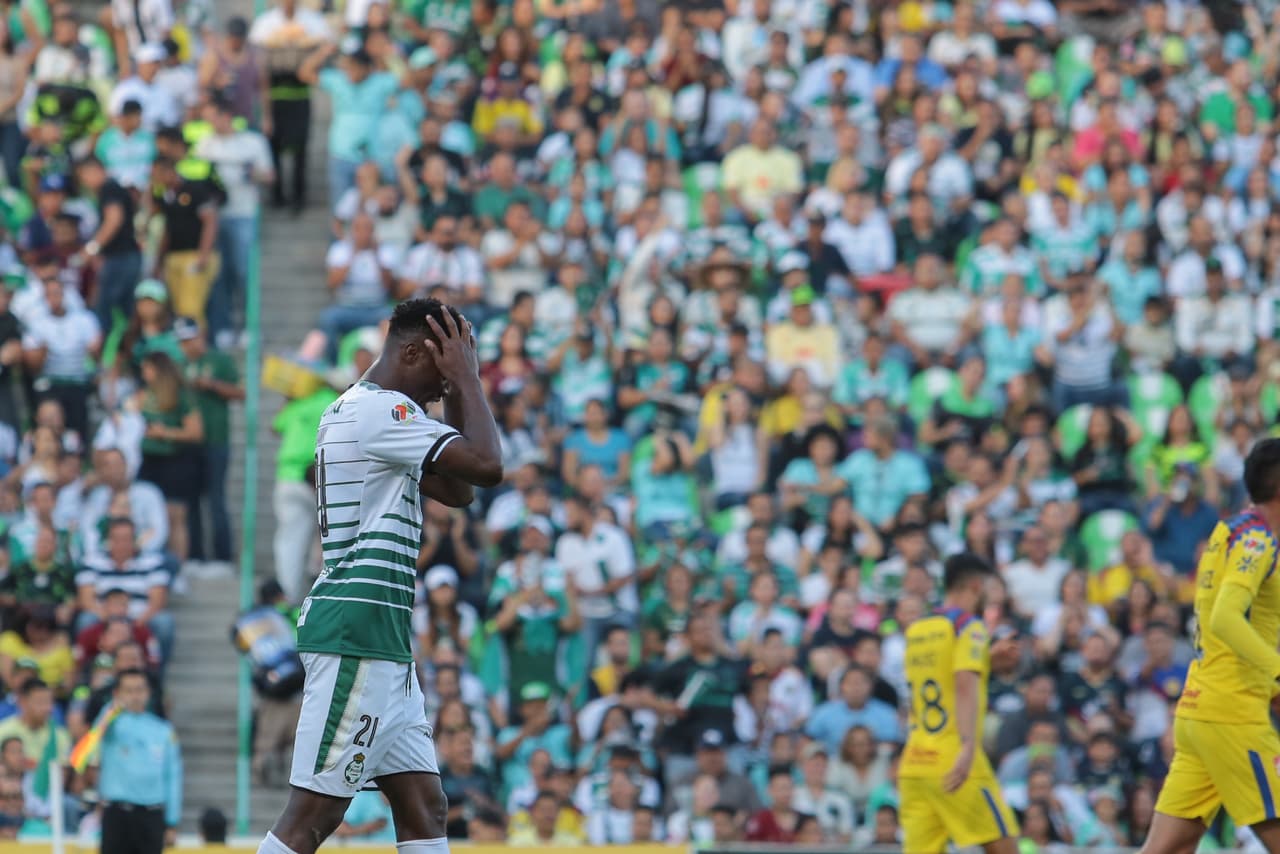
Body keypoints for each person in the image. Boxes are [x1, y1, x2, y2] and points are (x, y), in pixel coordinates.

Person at [257, 299, 502, 854]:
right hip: (357, 634)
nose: (447, 386)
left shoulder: (367, 412)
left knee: (423, 806)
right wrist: (469, 381)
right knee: (312, 816)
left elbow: (460, 490)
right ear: (413, 352)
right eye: (445, 368)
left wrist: (459, 380)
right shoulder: (381, 413)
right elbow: (488, 467)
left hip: (382, 639)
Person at [1142, 438, 1280, 853]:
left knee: (1166, 849)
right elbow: (1224, 618)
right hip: (1234, 716)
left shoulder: (1229, 530)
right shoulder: (1259, 543)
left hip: (1200, 711)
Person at [899, 552, 1019, 854]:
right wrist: (967, 748)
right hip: (954, 760)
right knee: (1006, 847)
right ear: (976, 586)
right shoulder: (970, 627)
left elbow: (939, 678)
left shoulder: (918, 629)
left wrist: (988, 659)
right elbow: (964, 683)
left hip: (915, 763)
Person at [96, 669, 182, 854]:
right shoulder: (112, 725)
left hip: (151, 815)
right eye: (128, 690)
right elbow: (96, 734)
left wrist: (172, 821)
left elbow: (172, 776)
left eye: (139, 690)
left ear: (148, 693)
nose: (135, 696)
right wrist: (113, 707)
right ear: (117, 694)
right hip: (117, 814)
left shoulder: (163, 730)